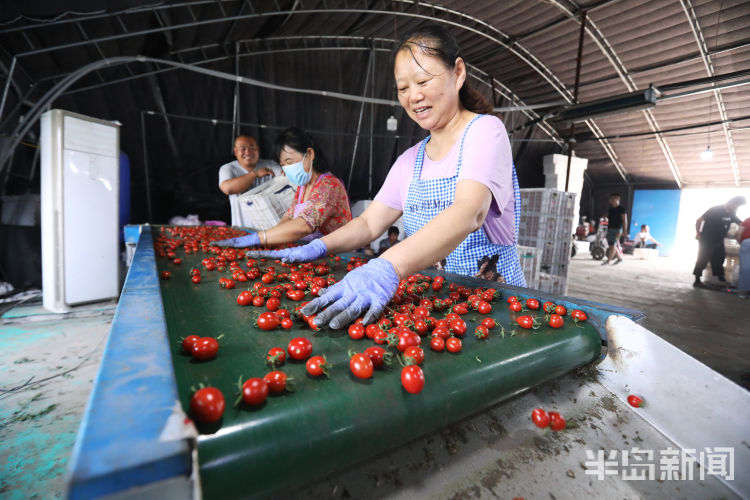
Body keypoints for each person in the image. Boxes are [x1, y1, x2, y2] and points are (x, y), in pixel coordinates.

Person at [248, 24, 525, 329]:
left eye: (423, 81)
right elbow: (368, 223)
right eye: (403, 88)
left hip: (495, 308)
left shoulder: (486, 132)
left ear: (458, 73)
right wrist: (319, 246)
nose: (414, 96)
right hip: (438, 309)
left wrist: (386, 266)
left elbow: (468, 212)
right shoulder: (410, 161)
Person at [213, 128, 352, 248]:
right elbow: (289, 216)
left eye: (289, 161)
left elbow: (303, 225)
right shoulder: (303, 187)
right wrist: (270, 239)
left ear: (310, 154)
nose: (286, 168)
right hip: (313, 255)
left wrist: (260, 238)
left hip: (338, 255)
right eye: (283, 164)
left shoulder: (329, 185)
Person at [218, 134, 282, 227]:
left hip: (270, 230)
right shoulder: (228, 168)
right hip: (241, 230)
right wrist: (255, 174)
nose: (248, 152)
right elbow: (227, 188)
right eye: (242, 148)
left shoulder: (270, 165)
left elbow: (285, 179)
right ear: (235, 152)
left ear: (258, 149)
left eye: (252, 147)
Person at [692, 196, 745, 287]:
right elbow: (699, 220)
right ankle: (697, 280)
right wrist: (698, 233)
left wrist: (744, 227)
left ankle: (720, 279)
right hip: (707, 239)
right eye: (737, 205)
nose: (736, 208)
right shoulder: (715, 209)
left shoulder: (732, 212)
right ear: (732, 202)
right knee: (703, 259)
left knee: (720, 258)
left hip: (719, 240)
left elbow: (740, 223)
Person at [602, 193, 628, 265]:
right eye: (610, 199)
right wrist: (604, 217)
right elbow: (605, 216)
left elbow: (624, 221)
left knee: (613, 245)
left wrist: (625, 230)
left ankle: (608, 261)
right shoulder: (610, 209)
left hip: (618, 229)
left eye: (613, 199)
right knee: (611, 245)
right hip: (610, 229)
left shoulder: (621, 209)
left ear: (618, 199)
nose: (611, 200)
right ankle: (619, 259)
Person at [738, 216, 750, 292]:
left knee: (745, 267)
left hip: (747, 242)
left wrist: (739, 241)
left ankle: (745, 289)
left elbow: (739, 231)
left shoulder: (748, 219)